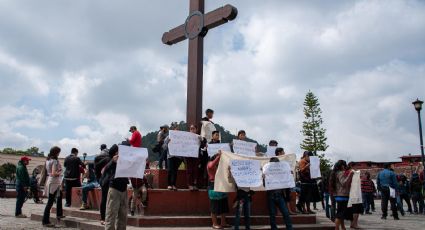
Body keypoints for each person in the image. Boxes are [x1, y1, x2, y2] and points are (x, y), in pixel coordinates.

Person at [104, 144, 129, 230]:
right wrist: (112, 161)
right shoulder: (110, 160)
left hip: (124, 189)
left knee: (123, 216)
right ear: (116, 152)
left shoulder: (125, 160)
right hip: (114, 189)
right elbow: (104, 170)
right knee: (111, 214)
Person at [233, 130, 254, 230]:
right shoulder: (238, 171)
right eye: (241, 134)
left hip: (248, 195)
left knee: (247, 215)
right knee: (238, 215)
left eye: (244, 134)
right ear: (238, 136)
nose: (243, 136)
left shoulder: (250, 171)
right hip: (240, 196)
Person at [265, 157, 293, 230]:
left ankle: (289, 228)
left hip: (280, 195)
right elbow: (266, 186)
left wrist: (289, 175)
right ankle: (274, 228)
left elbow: (287, 183)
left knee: (286, 213)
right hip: (271, 196)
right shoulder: (267, 173)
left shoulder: (282, 172)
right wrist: (264, 177)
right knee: (272, 214)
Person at [42, 146, 64, 227]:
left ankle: (46, 220)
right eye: (59, 152)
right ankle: (45, 221)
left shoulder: (48, 160)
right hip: (54, 182)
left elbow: (49, 172)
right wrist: (60, 172)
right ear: (56, 152)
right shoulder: (54, 161)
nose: (59, 153)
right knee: (50, 203)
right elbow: (54, 173)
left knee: (51, 201)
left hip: (50, 181)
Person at [207, 151, 230, 229]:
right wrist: (219, 156)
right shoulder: (210, 163)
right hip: (213, 186)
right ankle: (214, 224)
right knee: (214, 206)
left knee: (224, 205)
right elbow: (211, 166)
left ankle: (223, 223)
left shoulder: (221, 166)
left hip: (222, 186)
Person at [329, 160, 354, 230]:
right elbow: (343, 183)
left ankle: (343, 227)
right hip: (343, 195)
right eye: (344, 165)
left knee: (341, 213)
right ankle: (337, 228)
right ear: (342, 166)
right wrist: (350, 175)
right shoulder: (341, 173)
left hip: (338, 195)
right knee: (340, 214)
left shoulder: (335, 173)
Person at [275, 147, 297, 215]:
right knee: (278, 197)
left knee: (287, 196)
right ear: (279, 153)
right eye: (283, 151)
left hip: (286, 181)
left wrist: (290, 171)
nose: (284, 153)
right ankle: (278, 212)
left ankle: (289, 210)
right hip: (278, 182)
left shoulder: (285, 160)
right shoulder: (274, 160)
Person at [185, 124, 206, 190]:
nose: (192, 130)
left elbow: (203, 147)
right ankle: (190, 184)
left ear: (196, 130)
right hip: (189, 156)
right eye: (191, 129)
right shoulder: (186, 137)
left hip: (196, 156)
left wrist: (202, 141)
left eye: (193, 128)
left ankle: (194, 184)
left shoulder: (199, 137)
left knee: (195, 170)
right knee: (189, 170)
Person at [94, 144, 111, 225]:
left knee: (104, 199)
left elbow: (96, 171)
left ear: (101, 149)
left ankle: (102, 218)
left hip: (103, 181)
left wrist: (100, 180)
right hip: (111, 180)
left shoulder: (97, 157)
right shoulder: (110, 156)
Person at [165, 122, 183, 190]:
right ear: (173, 130)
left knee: (175, 171)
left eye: (178, 129)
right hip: (170, 156)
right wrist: (167, 142)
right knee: (170, 170)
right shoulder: (168, 137)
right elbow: (164, 147)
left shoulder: (181, 138)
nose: (177, 130)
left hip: (178, 157)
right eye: (176, 129)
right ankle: (169, 184)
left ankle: (174, 184)